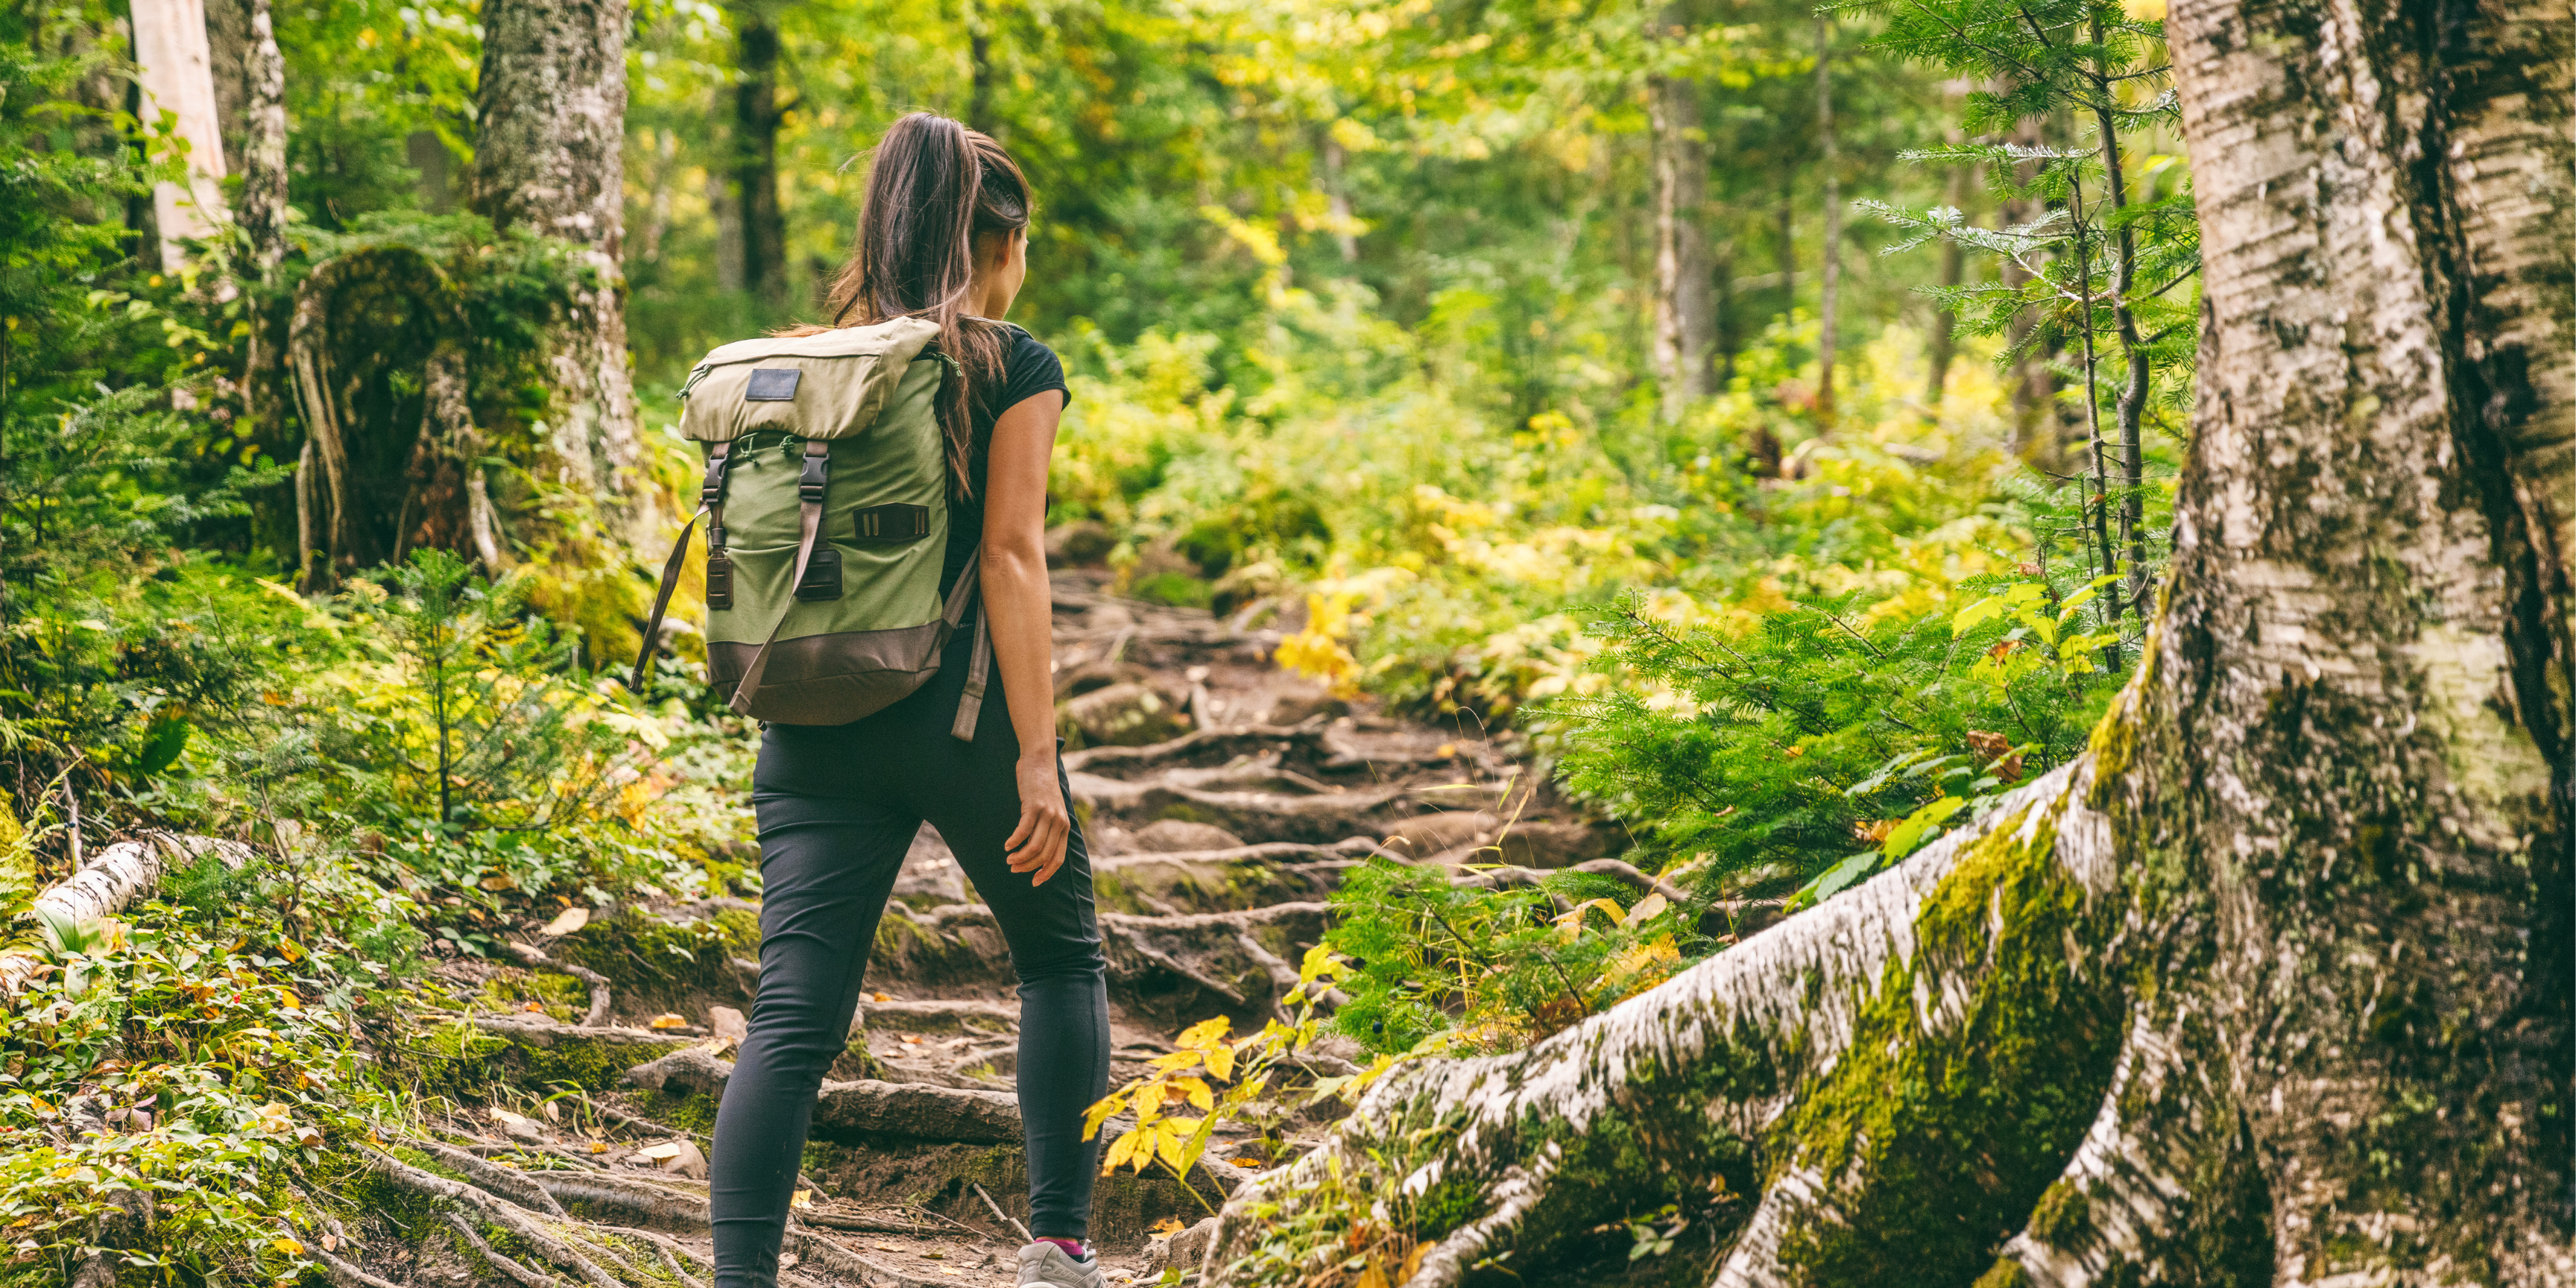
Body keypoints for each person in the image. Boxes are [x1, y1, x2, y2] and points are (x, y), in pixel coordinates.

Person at [706, 110, 1109, 1288]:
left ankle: (741, 1280)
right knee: (1059, 959)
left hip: (811, 720)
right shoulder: (1010, 363)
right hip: (963, 723)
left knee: (791, 1019)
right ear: (1000, 241)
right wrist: (1039, 757)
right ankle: (1059, 1243)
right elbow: (1011, 558)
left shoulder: (805, 367)